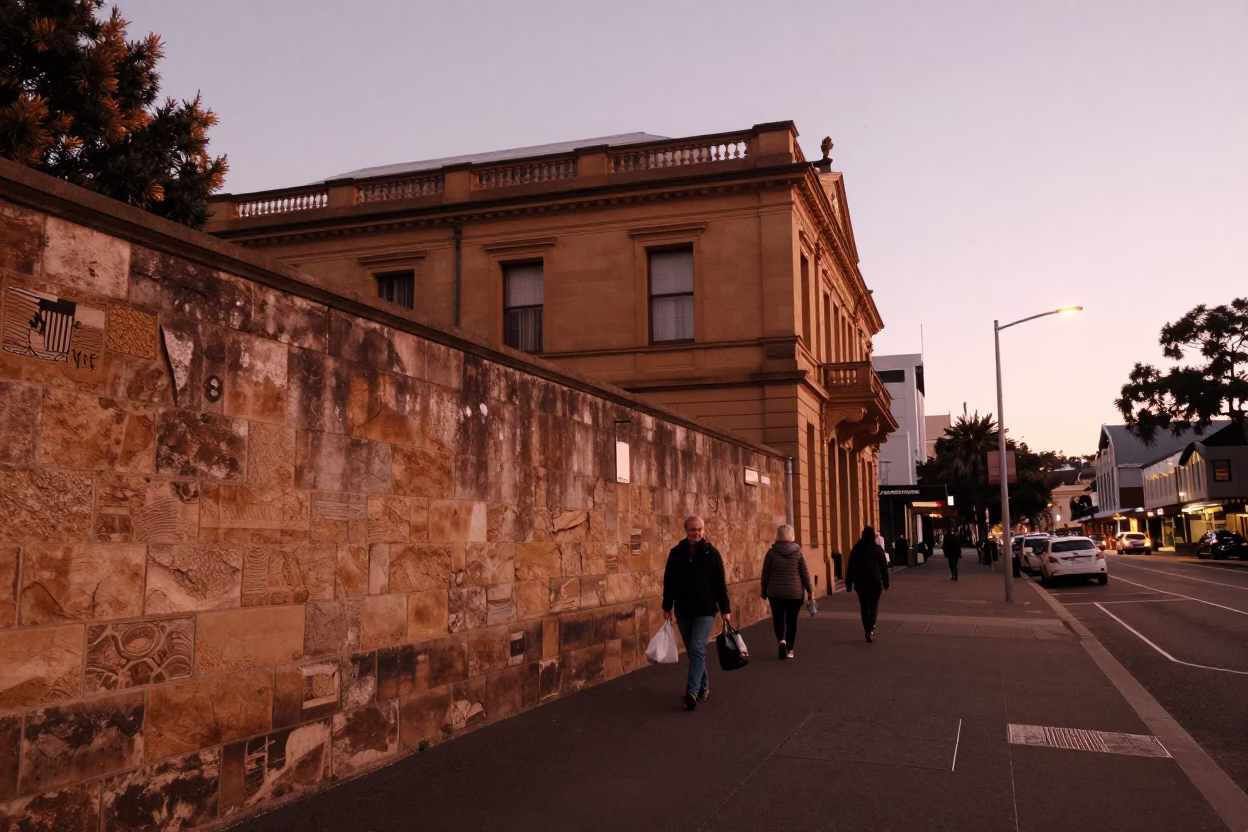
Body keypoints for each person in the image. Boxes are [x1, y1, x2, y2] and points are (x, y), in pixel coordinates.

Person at [662, 515, 731, 711]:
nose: (697, 533)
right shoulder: (676, 553)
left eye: (700, 529)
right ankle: (704, 685)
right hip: (683, 610)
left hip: (705, 611)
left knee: (698, 647)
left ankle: (691, 692)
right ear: (686, 531)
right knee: (693, 651)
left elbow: (720, 585)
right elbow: (669, 583)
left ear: (704, 530)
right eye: (693, 529)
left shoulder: (712, 554)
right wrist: (667, 606)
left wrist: (725, 609)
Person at [760, 524, 814, 660]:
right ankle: (790, 649)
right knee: (792, 621)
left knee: (778, 618)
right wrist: (810, 591)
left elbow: (765, 573)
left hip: (775, 593)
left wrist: (764, 590)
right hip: (794, 594)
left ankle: (781, 641)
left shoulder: (771, 553)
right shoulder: (799, 553)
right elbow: (805, 574)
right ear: (792, 536)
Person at [845, 526, 890, 642]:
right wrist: (886, 583)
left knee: (864, 606)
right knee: (874, 605)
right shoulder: (877, 549)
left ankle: (867, 630)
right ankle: (871, 626)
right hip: (875, 582)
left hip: (860, 583)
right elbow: (884, 567)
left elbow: (851, 566)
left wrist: (848, 583)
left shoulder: (856, 548)